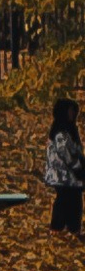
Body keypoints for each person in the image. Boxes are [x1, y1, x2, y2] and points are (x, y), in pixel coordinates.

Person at [47, 95, 84, 237]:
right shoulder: (60, 132)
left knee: (74, 201)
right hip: (62, 174)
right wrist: (79, 169)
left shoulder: (71, 129)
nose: (72, 114)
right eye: (69, 111)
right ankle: (57, 227)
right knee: (64, 200)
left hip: (71, 174)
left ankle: (73, 228)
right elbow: (66, 154)